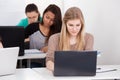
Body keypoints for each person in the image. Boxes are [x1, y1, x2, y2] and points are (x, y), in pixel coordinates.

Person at [46, 7, 94, 71]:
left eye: (77, 25)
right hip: (60, 75)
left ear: (82, 25)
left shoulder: (89, 38)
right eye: (71, 25)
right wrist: (60, 70)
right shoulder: (54, 39)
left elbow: (89, 60)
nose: (74, 29)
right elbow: (49, 60)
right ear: (65, 24)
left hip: (81, 75)